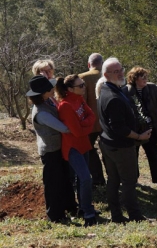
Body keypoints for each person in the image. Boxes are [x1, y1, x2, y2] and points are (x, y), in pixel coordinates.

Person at [98, 57, 151, 223]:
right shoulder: (112, 96)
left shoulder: (106, 90)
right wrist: (139, 137)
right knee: (128, 182)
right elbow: (119, 128)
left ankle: (117, 216)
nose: (121, 73)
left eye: (121, 69)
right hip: (120, 147)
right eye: (116, 71)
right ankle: (135, 216)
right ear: (106, 75)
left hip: (108, 144)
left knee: (113, 181)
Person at [28, 75, 77, 223]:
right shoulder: (41, 112)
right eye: (49, 89)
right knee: (53, 184)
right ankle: (55, 216)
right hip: (50, 151)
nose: (52, 89)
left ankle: (70, 207)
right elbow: (63, 128)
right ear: (43, 93)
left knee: (64, 179)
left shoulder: (48, 102)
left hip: (57, 148)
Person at [55, 75, 97, 227]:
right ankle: (88, 213)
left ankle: (84, 208)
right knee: (86, 178)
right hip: (73, 147)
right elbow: (77, 131)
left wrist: (84, 123)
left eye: (83, 84)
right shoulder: (65, 105)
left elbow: (92, 115)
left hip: (83, 144)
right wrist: (86, 125)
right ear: (70, 89)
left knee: (82, 179)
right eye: (81, 86)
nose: (84, 87)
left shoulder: (79, 98)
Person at [79, 53, 106, 186]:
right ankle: (116, 178)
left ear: (89, 64)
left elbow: (81, 103)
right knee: (109, 150)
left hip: (91, 124)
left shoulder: (83, 78)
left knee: (89, 150)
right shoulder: (109, 76)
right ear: (102, 63)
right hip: (107, 123)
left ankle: (98, 180)